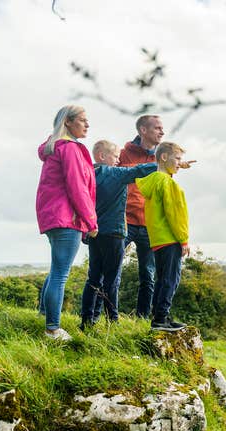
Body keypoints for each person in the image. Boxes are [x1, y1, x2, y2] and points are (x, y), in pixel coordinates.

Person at [79, 140, 158, 329]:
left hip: (94, 232)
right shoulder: (114, 174)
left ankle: (87, 321)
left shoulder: (86, 174)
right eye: (115, 157)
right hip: (114, 234)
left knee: (93, 278)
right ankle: (112, 321)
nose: (118, 161)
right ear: (102, 156)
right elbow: (140, 170)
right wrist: (167, 163)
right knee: (111, 280)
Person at [36, 105, 97, 341]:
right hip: (67, 217)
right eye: (83, 120)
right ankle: (52, 328)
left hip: (54, 216)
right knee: (61, 274)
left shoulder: (55, 148)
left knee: (56, 269)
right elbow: (77, 187)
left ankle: (44, 314)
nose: (87, 124)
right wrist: (90, 220)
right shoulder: (70, 149)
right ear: (68, 122)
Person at [135, 142, 191, 331]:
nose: (179, 163)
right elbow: (175, 213)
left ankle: (159, 316)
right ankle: (161, 319)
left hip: (157, 239)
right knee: (171, 279)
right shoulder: (167, 182)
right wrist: (183, 239)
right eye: (177, 159)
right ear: (164, 157)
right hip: (170, 238)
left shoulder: (154, 180)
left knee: (162, 279)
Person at [119, 115, 165, 318]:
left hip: (149, 224)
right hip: (125, 221)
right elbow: (113, 176)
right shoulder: (123, 154)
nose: (162, 132)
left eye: (162, 128)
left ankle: (142, 318)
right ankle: (109, 317)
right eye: (157, 128)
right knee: (112, 271)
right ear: (143, 130)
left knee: (148, 275)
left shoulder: (162, 158)